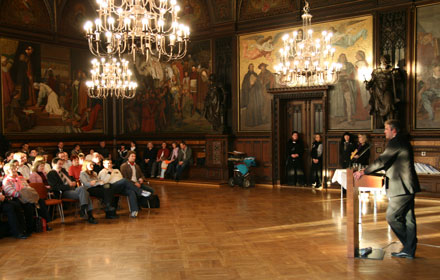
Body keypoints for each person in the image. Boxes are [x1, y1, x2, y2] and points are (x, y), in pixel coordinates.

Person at [354, 120, 420, 259]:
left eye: (386, 129)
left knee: (392, 217)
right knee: (408, 220)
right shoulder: (402, 141)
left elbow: (382, 160)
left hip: (401, 187)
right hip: (407, 186)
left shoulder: (396, 142)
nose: (384, 132)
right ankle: (409, 249)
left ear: (393, 130)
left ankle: (409, 245)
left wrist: (364, 172)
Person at [47, 157, 97, 224]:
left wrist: (73, 182)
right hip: (63, 192)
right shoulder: (51, 174)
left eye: (62, 164)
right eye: (59, 164)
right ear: (53, 164)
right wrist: (68, 186)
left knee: (83, 190)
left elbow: (71, 178)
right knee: (85, 192)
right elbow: (55, 187)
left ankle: (83, 208)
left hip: (73, 189)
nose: (61, 166)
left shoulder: (63, 171)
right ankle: (89, 215)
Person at [366, 54, 400, 125]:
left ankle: (390, 123)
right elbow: (372, 81)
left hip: (387, 90)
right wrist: (368, 84)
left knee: (389, 103)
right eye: (383, 60)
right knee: (378, 106)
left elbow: (399, 81)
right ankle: (383, 123)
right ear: (381, 61)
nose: (384, 61)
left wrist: (396, 75)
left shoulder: (392, 70)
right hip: (378, 90)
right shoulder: (376, 71)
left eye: (386, 60)